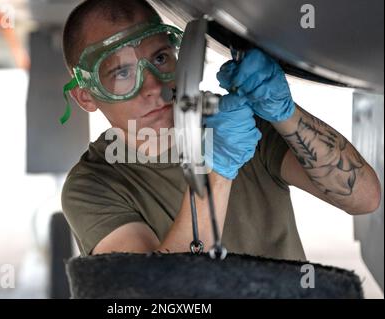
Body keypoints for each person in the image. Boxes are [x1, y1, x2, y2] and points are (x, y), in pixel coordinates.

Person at [60, 0, 381, 261]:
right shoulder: (93, 186)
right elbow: (155, 295)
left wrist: (286, 114)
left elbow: (364, 198)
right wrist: (217, 170)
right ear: (86, 96)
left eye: (160, 57)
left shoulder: (242, 125)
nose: (153, 86)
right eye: (122, 73)